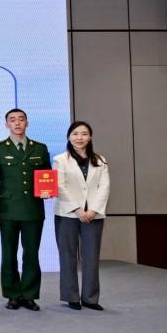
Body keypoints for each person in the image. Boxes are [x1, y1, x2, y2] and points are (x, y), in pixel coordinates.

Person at [0, 108, 52, 311]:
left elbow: (46, 176)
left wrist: (48, 190)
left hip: (33, 208)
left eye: (21, 119)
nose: (17, 123)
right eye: (12, 120)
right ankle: (13, 294)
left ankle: (30, 295)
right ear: (6, 124)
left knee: (31, 254)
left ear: (27, 123)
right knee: (9, 254)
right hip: (7, 209)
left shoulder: (40, 148)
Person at [53, 121, 110, 311]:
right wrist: (78, 209)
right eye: (75, 133)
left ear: (90, 137)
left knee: (91, 257)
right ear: (69, 137)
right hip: (67, 214)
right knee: (67, 256)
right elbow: (60, 186)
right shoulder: (60, 159)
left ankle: (90, 298)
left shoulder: (100, 160)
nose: (80, 137)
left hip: (93, 215)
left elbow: (104, 187)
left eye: (84, 134)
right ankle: (71, 297)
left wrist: (93, 210)